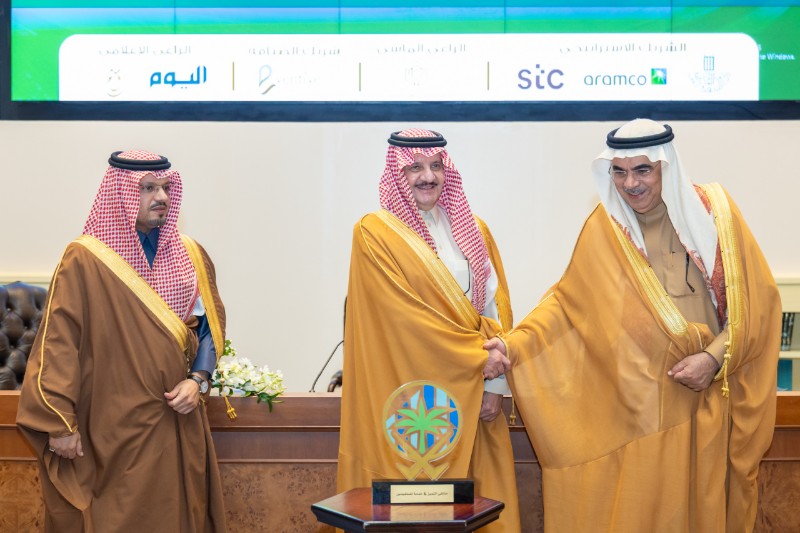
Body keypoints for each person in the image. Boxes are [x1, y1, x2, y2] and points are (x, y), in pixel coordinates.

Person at [485, 119, 780, 532]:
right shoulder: (605, 228)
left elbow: (757, 307)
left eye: (643, 170)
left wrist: (713, 359)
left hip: (707, 400)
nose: (630, 184)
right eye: (619, 172)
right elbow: (566, 306)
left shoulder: (716, 216)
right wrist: (511, 346)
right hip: (639, 412)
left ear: (666, 168)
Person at [17, 150, 227, 532]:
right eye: (148, 188)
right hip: (109, 427)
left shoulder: (190, 254)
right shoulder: (85, 259)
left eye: (165, 187)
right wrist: (59, 421)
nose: (161, 197)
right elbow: (59, 343)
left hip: (177, 419)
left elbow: (207, 327)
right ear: (121, 193)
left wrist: (198, 380)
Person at [336, 128, 521, 532]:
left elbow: (492, 310)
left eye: (436, 166)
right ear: (396, 174)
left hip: (473, 391)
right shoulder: (374, 233)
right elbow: (402, 320)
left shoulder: (474, 228)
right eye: (415, 167)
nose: (428, 176)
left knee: (473, 505)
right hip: (409, 398)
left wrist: (495, 384)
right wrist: (477, 359)